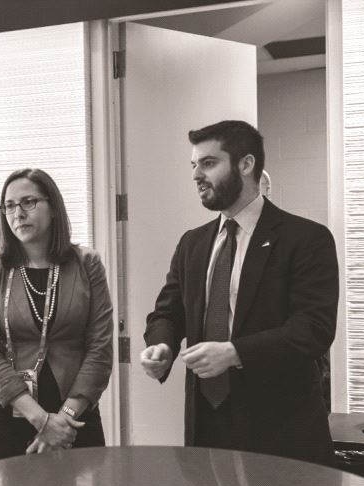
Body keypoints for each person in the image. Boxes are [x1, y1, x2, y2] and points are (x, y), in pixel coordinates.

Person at [139, 120, 338, 466]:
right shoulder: (192, 243)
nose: (196, 175)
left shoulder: (306, 239)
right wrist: (162, 346)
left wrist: (234, 353)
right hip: (207, 424)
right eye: (194, 165)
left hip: (281, 430)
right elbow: (167, 314)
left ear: (245, 164)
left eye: (208, 163)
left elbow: (313, 330)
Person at [0, 168, 113, 464]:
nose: (18, 214)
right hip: (9, 411)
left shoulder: (87, 264)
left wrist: (64, 419)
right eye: (9, 206)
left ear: (54, 207)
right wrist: (42, 421)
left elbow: (100, 349)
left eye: (28, 202)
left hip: (74, 417)